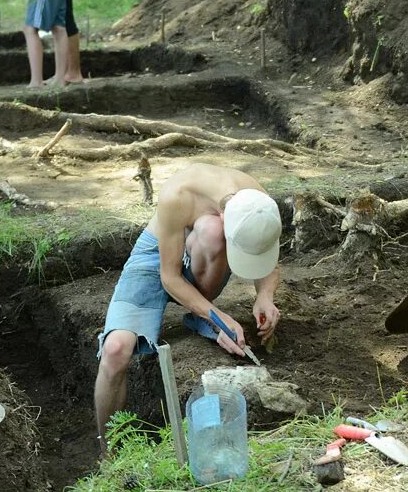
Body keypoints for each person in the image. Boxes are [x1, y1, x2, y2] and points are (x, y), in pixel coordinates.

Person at [93, 163, 283, 457]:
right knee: (116, 351)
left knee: (211, 231)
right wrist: (218, 317)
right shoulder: (178, 195)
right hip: (156, 255)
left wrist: (265, 296)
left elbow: (267, 257)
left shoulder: (257, 204)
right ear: (225, 214)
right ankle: (109, 455)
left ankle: (199, 311)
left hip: (205, 253)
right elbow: (169, 278)